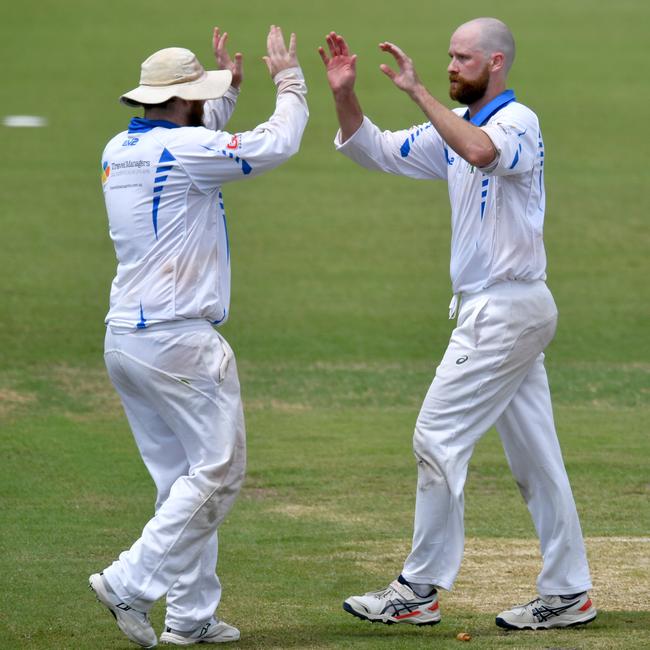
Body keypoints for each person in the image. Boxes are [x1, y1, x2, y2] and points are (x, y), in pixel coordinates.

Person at [319, 17, 596, 631]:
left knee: (436, 438)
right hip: (501, 310)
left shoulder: (514, 122)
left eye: (463, 59)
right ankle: (570, 590)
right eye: (448, 56)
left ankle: (418, 589)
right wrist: (344, 93)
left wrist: (420, 93)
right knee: (537, 461)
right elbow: (377, 150)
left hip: (506, 310)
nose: (450, 67)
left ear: (496, 63)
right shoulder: (456, 125)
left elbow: (482, 154)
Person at [90, 25, 308, 647]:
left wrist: (224, 97)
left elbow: (193, 138)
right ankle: (129, 581)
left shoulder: (117, 149)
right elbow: (273, 144)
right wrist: (288, 82)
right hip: (177, 341)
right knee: (217, 472)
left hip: (125, 341)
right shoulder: (184, 152)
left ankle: (190, 618)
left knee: (178, 482)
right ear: (186, 100)